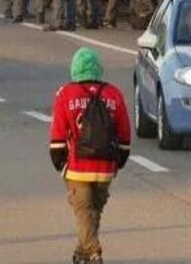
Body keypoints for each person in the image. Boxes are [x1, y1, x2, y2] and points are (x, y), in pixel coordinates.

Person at [49, 47, 131, 264]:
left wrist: (58, 160)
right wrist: (120, 159)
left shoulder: (66, 93)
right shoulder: (114, 94)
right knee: (92, 214)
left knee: (84, 212)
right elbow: (124, 131)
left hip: (78, 167)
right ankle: (80, 253)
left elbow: (58, 132)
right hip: (105, 168)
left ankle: (93, 253)